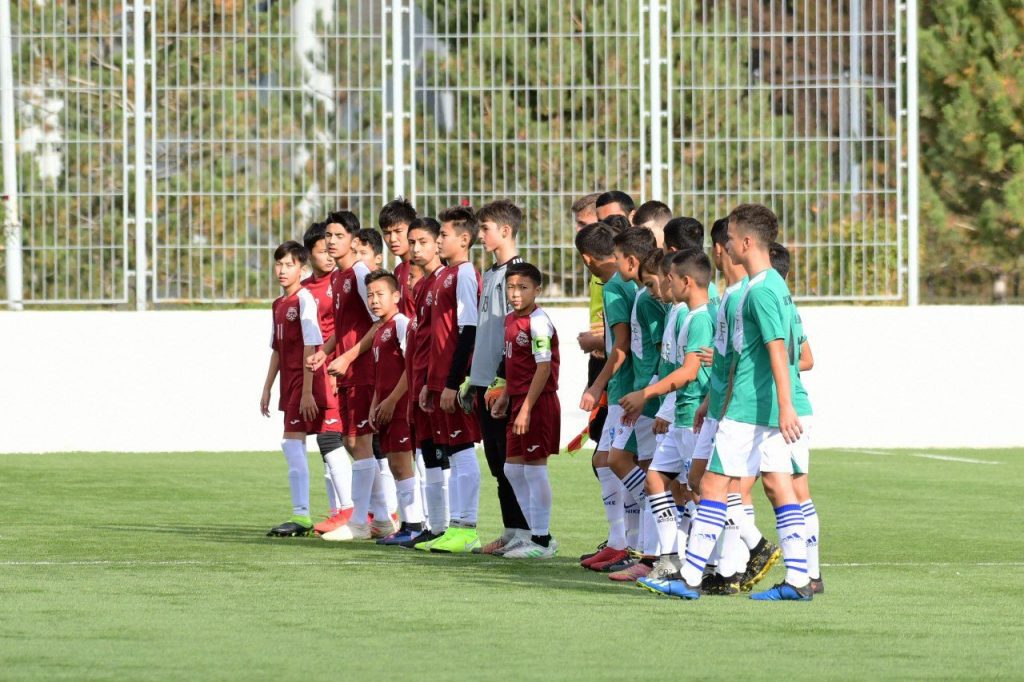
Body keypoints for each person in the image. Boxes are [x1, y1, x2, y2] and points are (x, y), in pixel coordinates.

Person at [649, 204, 815, 601]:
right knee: (777, 486)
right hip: (758, 406)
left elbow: (778, 349)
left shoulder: (760, 291)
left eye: (731, 237)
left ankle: (690, 578)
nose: (724, 245)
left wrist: (786, 405)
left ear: (747, 242)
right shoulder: (767, 286)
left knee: (711, 484)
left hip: (748, 407)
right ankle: (799, 579)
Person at [306, 211, 392, 542]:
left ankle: (362, 520)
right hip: (347, 368)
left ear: (354, 241)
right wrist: (327, 351)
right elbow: (345, 326)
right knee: (351, 441)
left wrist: (348, 356)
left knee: (360, 441)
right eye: (328, 235)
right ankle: (381, 518)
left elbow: (378, 321)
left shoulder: (358, 273)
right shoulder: (338, 277)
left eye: (338, 236)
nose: (331, 241)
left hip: (363, 368)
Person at [418, 206, 483, 554]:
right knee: (453, 453)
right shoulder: (445, 275)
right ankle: (455, 526)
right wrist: (431, 382)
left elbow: (468, 329)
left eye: (443, 235)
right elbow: (437, 337)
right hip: (440, 379)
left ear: (464, 239)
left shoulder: (466, 274)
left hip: (454, 381)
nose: (439, 240)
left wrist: (454, 382)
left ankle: (467, 528)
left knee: (462, 448)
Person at [604, 227, 667, 581]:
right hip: (644, 394)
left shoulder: (647, 298)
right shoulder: (643, 294)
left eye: (617, 258)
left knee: (653, 476)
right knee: (644, 471)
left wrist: (648, 393)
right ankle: (648, 551)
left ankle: (654, 553)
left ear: (630, 260)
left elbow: (660, 353)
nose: (614, 264)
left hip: (649, 398)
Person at [469, 199, 530, 555]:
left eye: (485, 228)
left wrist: (506, 382)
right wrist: (473, 378)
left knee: (513, 462)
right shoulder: (491, 273)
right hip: (484, 382)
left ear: (505, 231)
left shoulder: (517, 275)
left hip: (504, 385)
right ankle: (511, 530)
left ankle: (530, 533)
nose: (480, 235)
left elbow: (517, 332)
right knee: (497, 462)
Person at [489, 262, 561, 559]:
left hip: (538, 402)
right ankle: (535, 534)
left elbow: (543, 369)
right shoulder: (509, 320)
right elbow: (515, 366)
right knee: (512, 469)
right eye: (511, 287)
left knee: (534, 468)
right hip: (518, 400)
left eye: (523, 287)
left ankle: (541, 541)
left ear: (537, 290)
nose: (516, 293)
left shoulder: (538, 322)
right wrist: (506, 396)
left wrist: (527, 408)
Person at [575, 223, 634, 571]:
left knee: (629, 465)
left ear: (587, 259)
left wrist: (597, 386)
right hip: (625, 388)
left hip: (629, 390)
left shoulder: (615, 287)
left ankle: (639, 547)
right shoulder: (629, 285)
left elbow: (622, 346)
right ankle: (619, 542)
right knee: (605, 460)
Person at [768, 241, 821, 594]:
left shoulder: (775, 303)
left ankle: (808, 574)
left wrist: (777, 371)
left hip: (790, 408)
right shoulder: (787, 304)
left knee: (795, 489)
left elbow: (806, 359)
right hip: (786, 406)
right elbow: (806, 359)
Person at [260, 241, 323, 537]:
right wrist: (267, 388)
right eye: (279, 264)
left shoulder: (304, 300)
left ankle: (303, 515)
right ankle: (304, 514)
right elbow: (277, 349)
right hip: (289, 384)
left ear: (303, 269)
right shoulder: (278, 304)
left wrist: (308, 391)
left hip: (303, 382)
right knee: (294, 444)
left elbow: (311, 345)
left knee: (296, 443)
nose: (282, 270)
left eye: (289, 265)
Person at [300, 222, 354, 536]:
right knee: (330, 441)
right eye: (322, 250)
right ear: (310, 255)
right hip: (320, 369)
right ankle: (339, 511)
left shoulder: (344, 279)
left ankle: (355, 510)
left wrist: (339, 364)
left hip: (340, 368)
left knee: (336, 438)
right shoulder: (305, 290)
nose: (329, 254)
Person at [366, 270, 425, 545]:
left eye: (380, 294)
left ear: (396, 296)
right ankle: (406, 524)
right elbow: (381, 375)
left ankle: (414, 525)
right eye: (370, 295)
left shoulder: (402, 324)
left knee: (402, 465)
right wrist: (375, 404)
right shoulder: (380, 329)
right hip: (386, 407)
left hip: (400, 407)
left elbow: (410, 367)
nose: (374, 300)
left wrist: (391, 401)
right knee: (393, 465)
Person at [403, 217, 452, 550]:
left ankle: (454, 525)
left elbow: (447, 337)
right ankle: (435, 526)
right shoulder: (423, 286)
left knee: (447, 453)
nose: (416, 248)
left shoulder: (448, 280)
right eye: (413, 242)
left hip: (437, 384)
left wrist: (437, 381)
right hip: (421, 383)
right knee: (427, 456)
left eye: (422, 242)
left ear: (438, 243)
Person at [378, 197, 418, 316]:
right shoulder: (398, 270)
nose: (392, 239)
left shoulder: (423, 268)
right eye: (387, 233)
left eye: (398, 231)